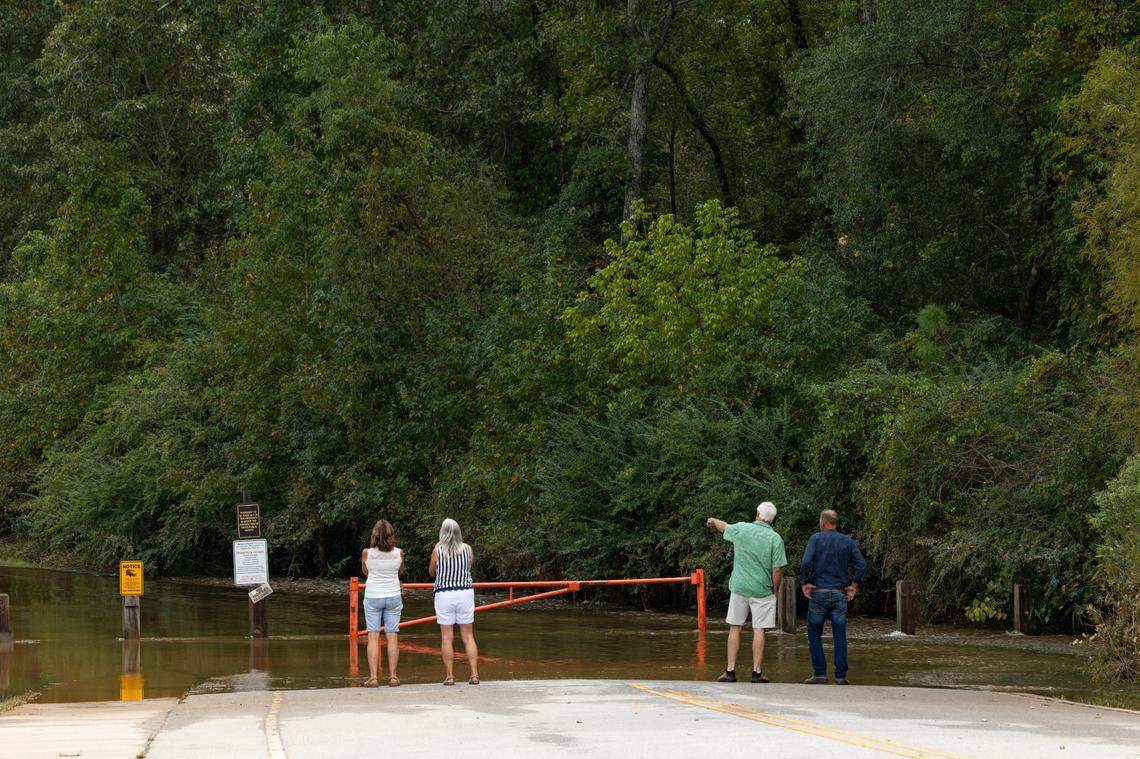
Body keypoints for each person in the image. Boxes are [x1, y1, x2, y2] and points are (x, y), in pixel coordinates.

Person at [706, 501, 787, 683]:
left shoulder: (742, 529)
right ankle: (757, 673)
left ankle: (730, 671)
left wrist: (713, 520)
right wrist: (775, 588)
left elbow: (723, 526)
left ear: (757, 514)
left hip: (740, 587)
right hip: (763, 590)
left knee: (735, 627)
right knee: (759, 630)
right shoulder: (775, 539)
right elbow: (777, 569)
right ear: (772, 520)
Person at [799, 509, 867, 685]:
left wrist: (804, 582)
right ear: (835, 523)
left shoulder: (815, 538)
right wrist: (854, 585)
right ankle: (840, 676)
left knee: (814, 634)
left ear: (822, 522)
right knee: (840, 635)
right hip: (839, 594)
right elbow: (861, 565)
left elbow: (806, 562)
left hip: (819, 593)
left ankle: (820, 673)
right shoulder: (847, 541)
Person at [429, 518, 480, 685]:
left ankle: (450, 676)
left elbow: (431, 572)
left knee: (446, 638)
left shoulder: (438, 550)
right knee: (468, 636)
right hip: (465, 592)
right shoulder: (468, 549)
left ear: (442, 533)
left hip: (444, 594)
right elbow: (468, 567)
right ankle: (474, 675)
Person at [360, 519, 404, 687]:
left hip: (373, 596)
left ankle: (373, 678)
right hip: (393, 595)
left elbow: (365, 572)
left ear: (374, 535)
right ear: (391, 535)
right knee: (392, 636)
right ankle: (393, 677)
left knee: (373, 636)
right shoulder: (399, 553)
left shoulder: (367, 553)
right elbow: (400, 571)